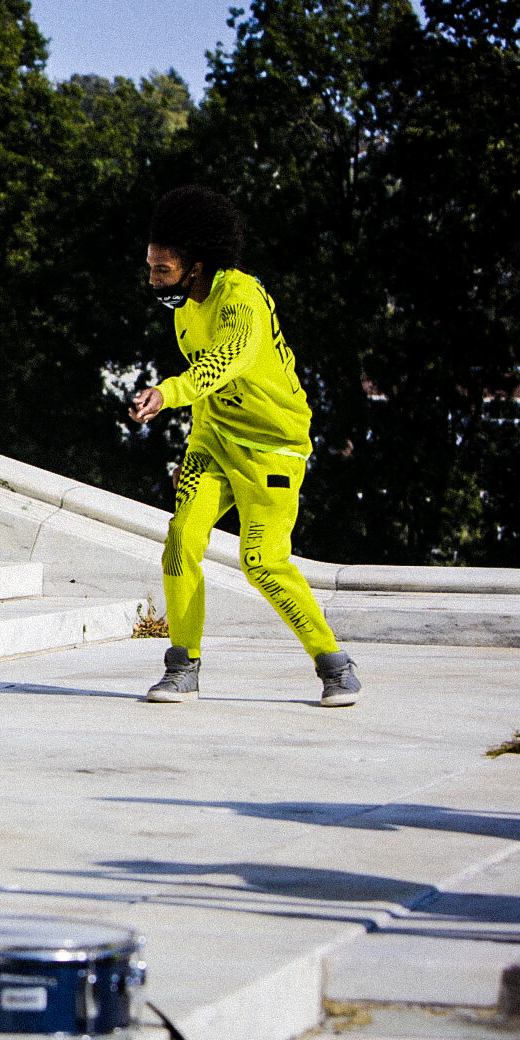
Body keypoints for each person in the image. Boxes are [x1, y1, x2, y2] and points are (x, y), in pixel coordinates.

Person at [128, 186, 363, 707]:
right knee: (181, 542)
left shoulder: (242, 300)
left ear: (197, 264)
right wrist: (192, 449)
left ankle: (336, 666)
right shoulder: (185, 309)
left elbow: (220, 366)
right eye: (150, 267)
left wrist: (166, 392)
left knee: (261, 561)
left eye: (162, 270)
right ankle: (182, 668)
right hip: (212, 443)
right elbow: (212, 392)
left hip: (273, 448)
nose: (152, 280)